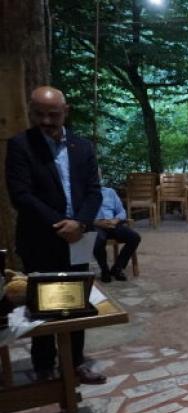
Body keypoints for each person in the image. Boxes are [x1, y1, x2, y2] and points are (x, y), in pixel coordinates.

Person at [5, 86, 107, 384]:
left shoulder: (83, 147)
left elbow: (93, 191)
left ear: (66, 111)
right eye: (39, 114)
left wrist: (81, 224)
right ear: (30, 111)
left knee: (77, 302)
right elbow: (21, 195)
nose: (46, 121)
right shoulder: (20, 145)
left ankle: (75, 362)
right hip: (40, 239)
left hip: (78, 239)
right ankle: (44, 365)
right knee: (42, 304)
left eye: (53, 114)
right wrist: (62, 224)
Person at [93, 185, 141, 283]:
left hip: (112, 224)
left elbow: (122, 211)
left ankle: (117, 268)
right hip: (96, 225)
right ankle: (104, 270)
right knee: (97, 240)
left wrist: (116, 220)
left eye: (98, 175)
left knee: (134, 237)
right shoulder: (82, 192)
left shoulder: (110, 192)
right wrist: (97, 222)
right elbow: (78, 215)